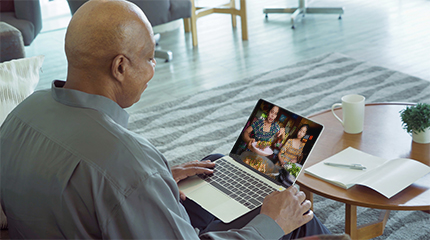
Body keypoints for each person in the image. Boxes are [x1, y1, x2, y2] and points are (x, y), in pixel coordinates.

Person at [0, 0, 331, 239]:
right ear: (120, 67)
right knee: (291, 212)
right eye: (149, 58)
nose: (153, 69)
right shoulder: (130, 166)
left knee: (214, 166)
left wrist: (159, 183)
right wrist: (271, 223)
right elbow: (120, 179)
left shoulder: (23, 114)